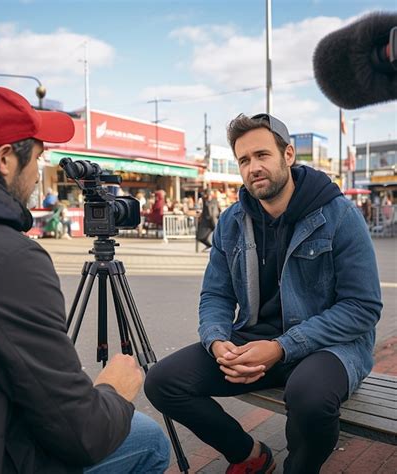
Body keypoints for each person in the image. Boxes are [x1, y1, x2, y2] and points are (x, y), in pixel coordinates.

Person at [0, 84, 170, 473]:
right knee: (148, 438)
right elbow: (83, 434)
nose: (39, 174)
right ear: (5, 158)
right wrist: (114, 391)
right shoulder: (8, 259)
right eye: (37, 157)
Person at [145, 113, 381, 474]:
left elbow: (362, 307)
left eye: (262, 155)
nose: (253, 167)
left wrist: (283, 347)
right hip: (257, 341)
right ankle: (249, 454)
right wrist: (216, 340)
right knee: (163, 382)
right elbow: (216, 295)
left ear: (288, 155)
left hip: (330, 345)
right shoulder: (232, 220)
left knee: (309, 399)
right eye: (244, 160)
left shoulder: (338, 215)